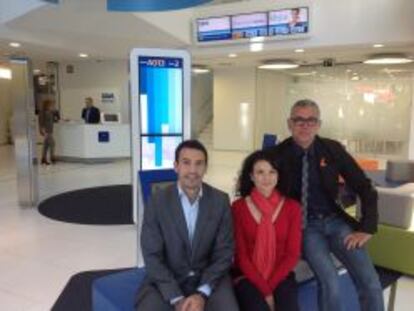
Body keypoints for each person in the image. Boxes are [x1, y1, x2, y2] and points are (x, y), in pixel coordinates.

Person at [268, 99, 384, 311]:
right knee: (330, 281)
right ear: (289, 124)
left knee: (370, 282)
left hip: (336, 222)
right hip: (306, 227)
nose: (305, 126)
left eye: (311, 120)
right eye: (299, 120)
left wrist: (367, 227)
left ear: (319, 124)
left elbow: (364, 186)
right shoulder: (276, 155)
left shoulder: (332, 149)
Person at [136, 140, 239, 311]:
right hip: (167, 279)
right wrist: (176, 298)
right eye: (186, 163)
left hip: (209, 279)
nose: (192, 170)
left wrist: (202, 293)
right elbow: (151, 255)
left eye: (199, 164)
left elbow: (224, 252)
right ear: (176, 166)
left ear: (206, 168)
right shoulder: (157, 201)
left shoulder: (220, 201)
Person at [232, 150, 302, 311]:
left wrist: (269, 289)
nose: (267, 177)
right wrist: (265, 292)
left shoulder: (292, 208)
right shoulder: (238, 208)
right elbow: (241, 257)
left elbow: (292, 254)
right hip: (247, 276)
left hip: (281, 275)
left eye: (272, 172)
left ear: (278, 175)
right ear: (251, 176)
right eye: (260, 172)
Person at [38, 99, 59, 165]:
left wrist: (56, 114)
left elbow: (54, 119)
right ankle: (52, 157)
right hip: (46, 131)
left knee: (46, 145)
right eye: (50, 104)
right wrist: (41, 129)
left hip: (50, 130)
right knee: (52, 143)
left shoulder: (50, 112)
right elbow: (40, 121)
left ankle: (43, 158)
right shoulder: (42, 112)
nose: (51, 106)